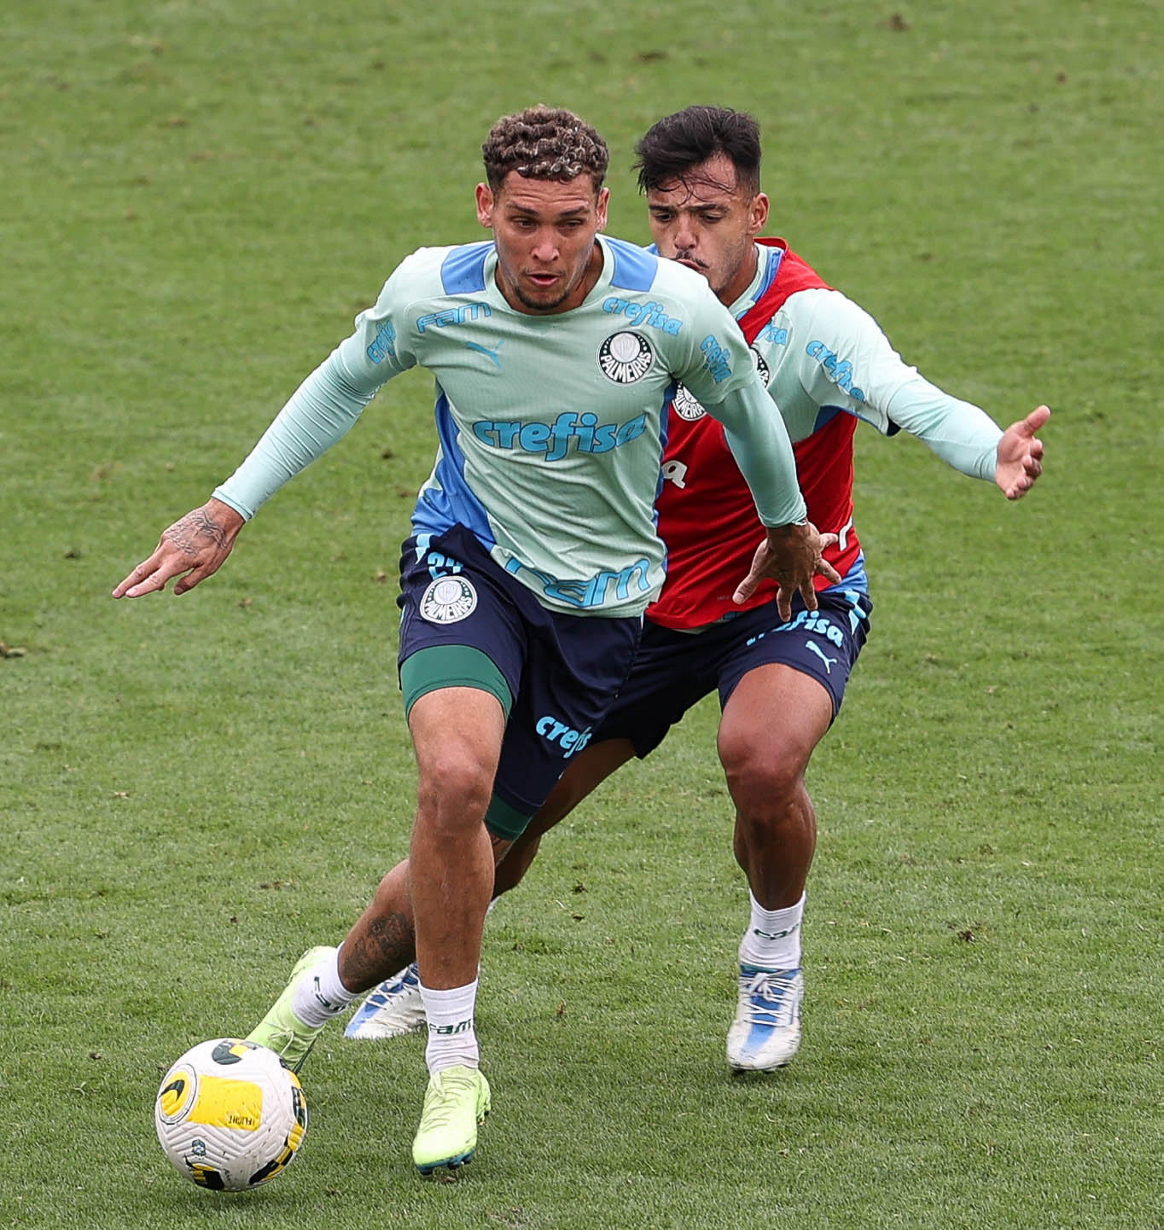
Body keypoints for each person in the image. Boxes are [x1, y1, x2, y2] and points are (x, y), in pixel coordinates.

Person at [112, 105, 833, 1175]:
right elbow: (339, 385)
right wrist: (228, 508)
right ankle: (455, 1063)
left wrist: (785, 526)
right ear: (486, 206)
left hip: (599, 614)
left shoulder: (668, 308)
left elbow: (748, 411)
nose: (546, 250)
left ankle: (314, 996)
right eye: (524, 222)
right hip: (470, 561)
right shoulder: (431, 293)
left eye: (571, 224)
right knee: (453, 777)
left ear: (604, 215)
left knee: (478, 859)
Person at [343, 105, 1048, 1072]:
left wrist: (989, 448)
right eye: (665, 214)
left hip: (783, 593)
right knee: (509, 820)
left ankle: (772, 956)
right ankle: (430, 959)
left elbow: (908, 397)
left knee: (761, 761)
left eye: (709, 216)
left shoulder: (809, 321)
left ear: (756, 213)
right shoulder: (627, 301)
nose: (683, 237)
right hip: (629, 612)